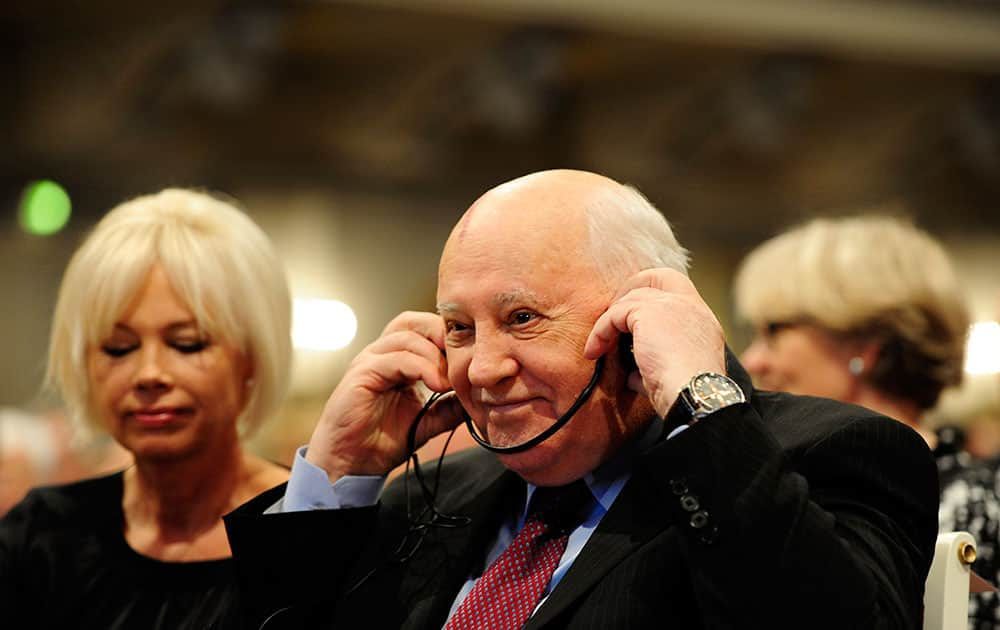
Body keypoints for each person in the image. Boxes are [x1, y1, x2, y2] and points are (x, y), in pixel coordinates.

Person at [225, 170, 938, 629]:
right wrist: (335, 476)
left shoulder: (823, 456)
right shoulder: (428, 497)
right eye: (459, 329)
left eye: (523, 319)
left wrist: (699, 399)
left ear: (636, 321)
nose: (483, 368)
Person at [0, 189, 293, 629]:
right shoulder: (42, 536)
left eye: (186, 343)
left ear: (251, 357)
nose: (149, 374)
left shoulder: (304, 533)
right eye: (119, 349)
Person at [733, 214, 1000, 627]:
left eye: (773, 332)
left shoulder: (980, 505)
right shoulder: (769, 484)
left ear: (864, 347)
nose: (753, 360)